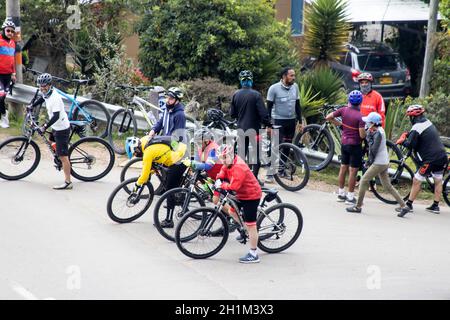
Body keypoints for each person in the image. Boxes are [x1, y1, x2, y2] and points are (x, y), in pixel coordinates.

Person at [346, 112, 410, 216]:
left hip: (379, 163)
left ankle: (358, 206)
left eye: (368, 122)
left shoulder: (378, 134)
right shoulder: (378, 130)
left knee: (363, 181)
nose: (366, 124)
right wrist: (369, 134)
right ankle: (404, 206)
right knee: (387, 186)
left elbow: (374, 150)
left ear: (373, 123)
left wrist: (368, 162)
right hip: (383, 162)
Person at [396, 105, 448, 216]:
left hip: (431, 159)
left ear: (412, 117)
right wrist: (408, 135)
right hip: (442, 156)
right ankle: (435, 206)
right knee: (438, 180)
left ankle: (408, 205)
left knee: (417, 179)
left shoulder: (416, 127)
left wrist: (402, 141)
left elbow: (411, 144)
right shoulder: (427, 122)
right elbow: (421, 136)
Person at [125, 135, 188, 227]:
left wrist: (136, 186)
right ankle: (181, 198)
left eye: (135, 153)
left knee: (169, 191)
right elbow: (157, 153)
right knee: (170, 179)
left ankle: (169, 221)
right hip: (181, 149)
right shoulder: (144, 140)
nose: (136, 156)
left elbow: (144, 176)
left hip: (180, 159)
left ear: (137, 149)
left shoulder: (147, 153)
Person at [215, 144, 262, 264]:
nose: (223, 160)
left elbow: (233, 187)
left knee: (251, 225)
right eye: (221, 158)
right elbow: (222, 172)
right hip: (241, 194)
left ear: (231, 155)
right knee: (231, 211)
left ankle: (253, 254)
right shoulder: (228, 163)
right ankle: (245, 229)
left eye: (225, 157)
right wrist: (219, 179)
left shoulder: (239, 167)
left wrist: (221, 185)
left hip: (251, 195)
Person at [28, 73, 72, 190]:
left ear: (50, 85)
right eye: (40, 86)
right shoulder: (47, 94)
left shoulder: (55, 98)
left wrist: (45, 126)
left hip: (61, 128)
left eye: (45, 86)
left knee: (63, 156)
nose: (42, 88)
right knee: (52, 142)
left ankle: (68, 182)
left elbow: (56, 116)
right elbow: (42, 98)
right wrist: (32, 105)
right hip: (56, 127)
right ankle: (59, 154)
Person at [230, 70, 272, 183]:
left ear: (241, 81)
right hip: (255, 130)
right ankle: (254, 179)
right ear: (251, 81)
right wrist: (269, 124)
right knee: (255, 155)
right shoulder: (256, 95)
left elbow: (232, 114)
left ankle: (241, 179)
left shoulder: (236, 94)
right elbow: (263, 114)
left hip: (241, 129)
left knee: (241, 155)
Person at [326, 90, 366, 205]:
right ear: (360, 102)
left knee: (343, 168)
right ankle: (350, 197)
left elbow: (328, 117)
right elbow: (362, 135)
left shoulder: (343, 110)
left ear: (349, 100)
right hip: (355, 145)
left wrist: (341, 125)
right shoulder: (360, 117)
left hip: (344, 144)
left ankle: (341, 193)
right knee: (353, 172)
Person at [265, 67, 302, 183]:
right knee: (275, 146)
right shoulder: (273, 88)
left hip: (291, 121)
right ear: (284, 76)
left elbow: (297, 105)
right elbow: (269, 108)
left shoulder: (295, 87)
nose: (293, 77)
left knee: (287, 146)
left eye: (294, 75)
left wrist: (300, 121)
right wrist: (268, 125)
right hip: (278, 121)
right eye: (291, 75)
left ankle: (281, 170)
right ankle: (270, 173)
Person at [0, 19, 17, 128]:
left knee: (3, 97)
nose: (10, 33)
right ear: (3, 30)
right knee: (0, 97)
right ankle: (4, 117)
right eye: (8, 31)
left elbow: (12, 59)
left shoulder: (13, 43)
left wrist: (14, 73)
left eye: (12, 31)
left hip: (8, 75)